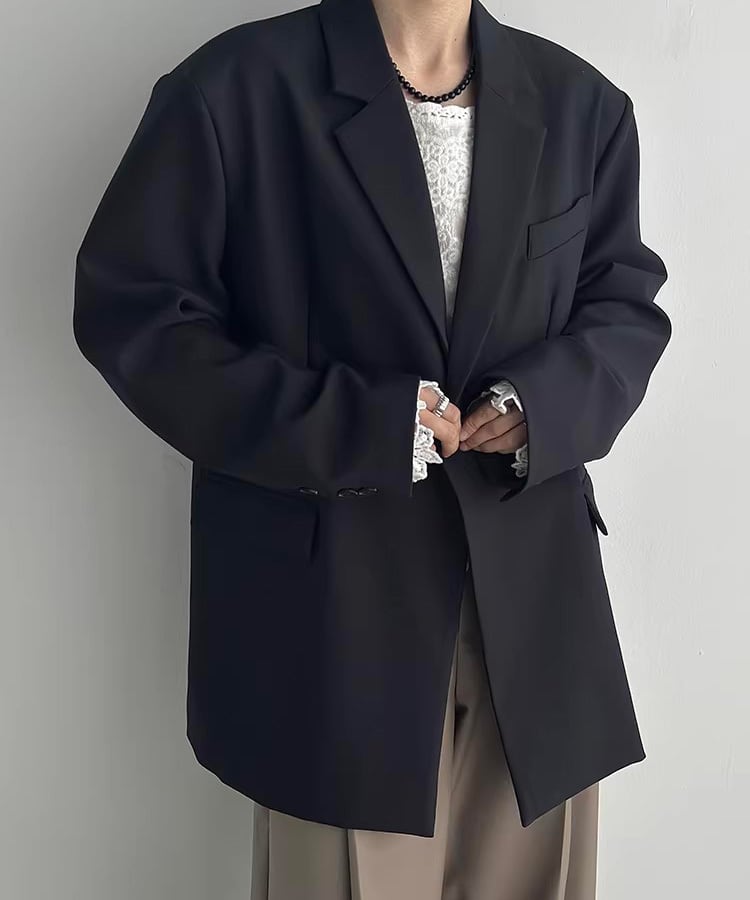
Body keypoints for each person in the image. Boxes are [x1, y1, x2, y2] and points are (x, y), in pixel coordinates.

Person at [72, 0, 671, 896]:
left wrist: (543, 405)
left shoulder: (581, 103)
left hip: (536, 619)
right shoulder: (234, 91)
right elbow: (138, 320)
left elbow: (623, 307)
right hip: (334, 616)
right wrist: (352, 425)